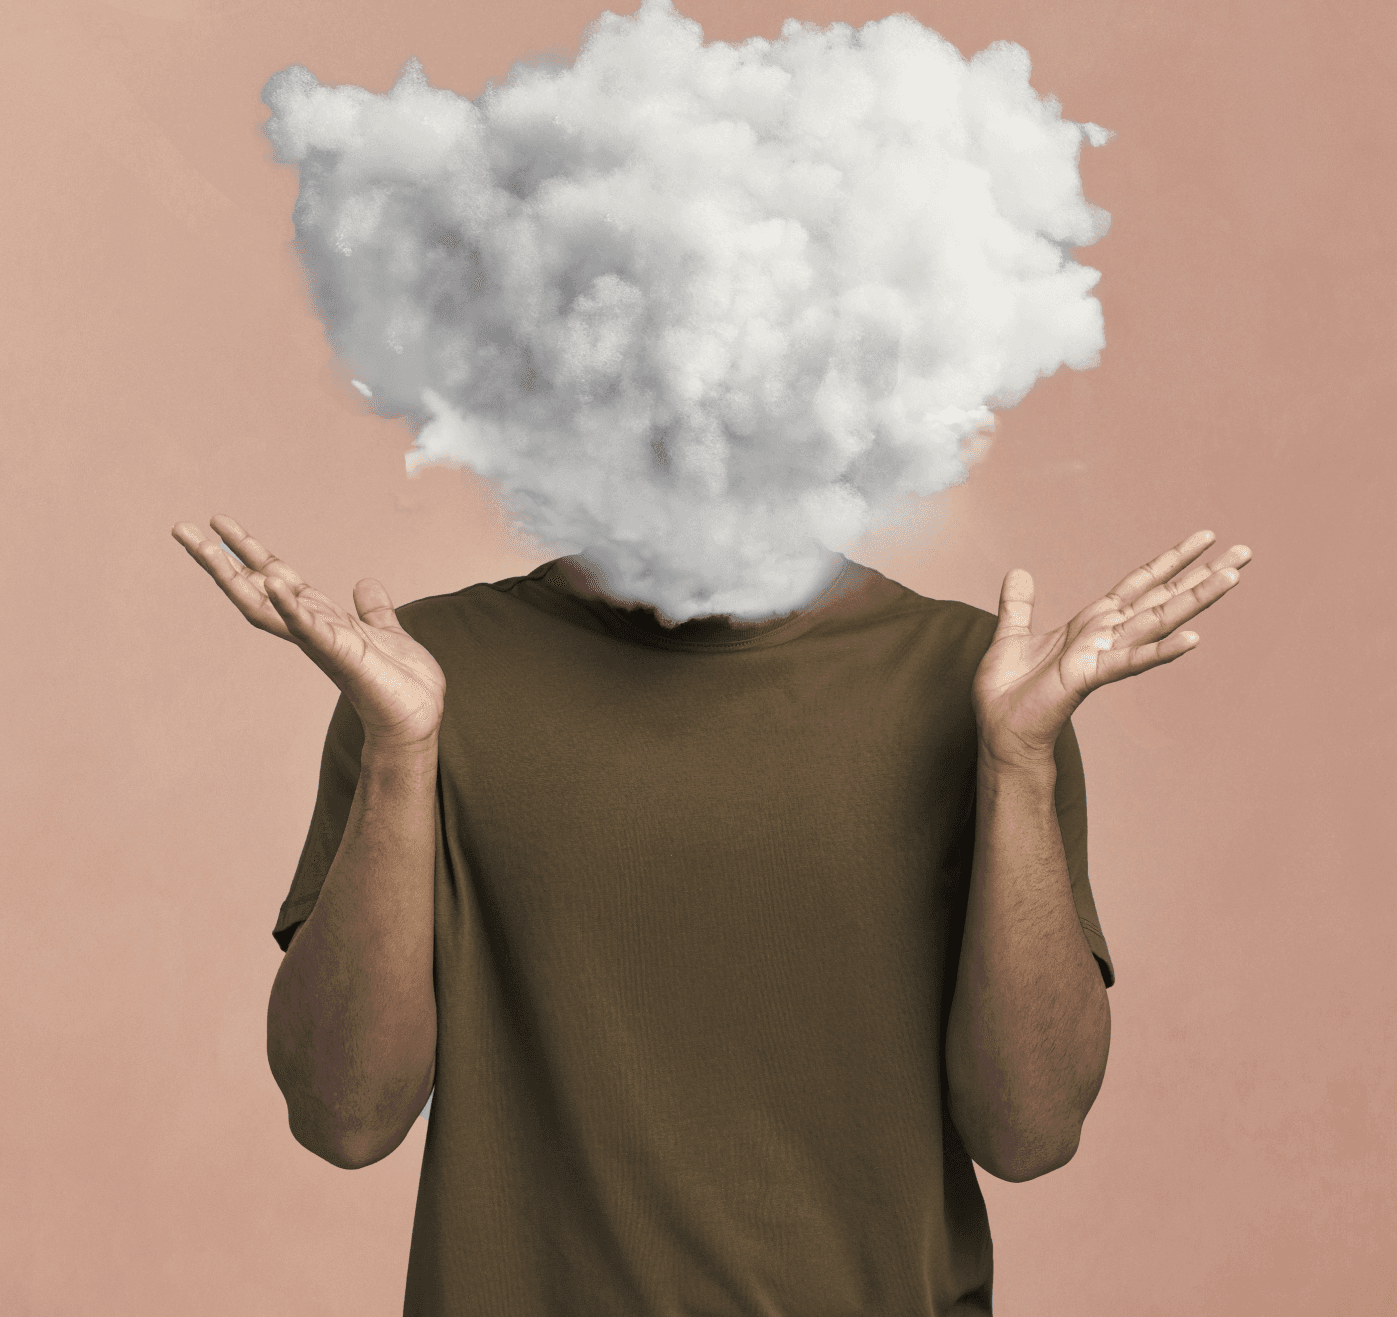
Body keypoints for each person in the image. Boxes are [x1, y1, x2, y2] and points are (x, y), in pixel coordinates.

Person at [172, 512, 1249, 1315]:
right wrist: (402, 753)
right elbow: (344, 1117)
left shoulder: (987, 688)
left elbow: (1029, 1133)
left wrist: (1016, 763)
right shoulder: (417, 677)